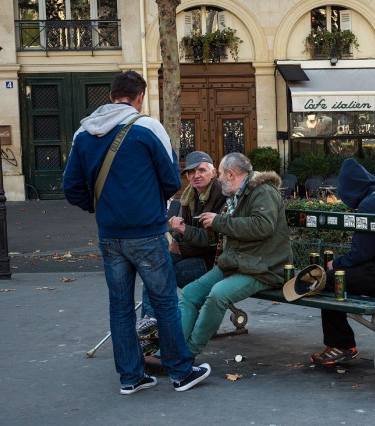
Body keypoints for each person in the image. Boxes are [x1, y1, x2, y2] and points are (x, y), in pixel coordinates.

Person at [62, 71, 210, 394]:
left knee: (120, 305)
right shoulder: (147, 128)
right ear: (139, 97)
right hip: (146, 232)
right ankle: (181, 372)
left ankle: (131, 377)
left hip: (109, 235)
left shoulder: (83, 134)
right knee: (166, 301)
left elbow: (70, 187)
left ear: (112, 95)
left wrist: (99, 206)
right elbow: (172, 180)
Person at [176, 152, 293, 357]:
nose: (218, 178)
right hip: (238, 263)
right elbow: (215, 237)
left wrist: (219, 221)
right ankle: (174, 350)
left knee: (218, 295)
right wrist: (186, 231)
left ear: (230, 174)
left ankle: (188, 353)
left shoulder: (263, 191)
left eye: (220, 174)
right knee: (190, 293)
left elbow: (262, 226)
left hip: (263, 268)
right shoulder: (235, 195)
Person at [310, 158, 375, 365]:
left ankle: (340, 345)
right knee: (341, 275)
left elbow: (362, 253)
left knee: (331, 279)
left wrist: (337, 264)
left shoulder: (369, 205)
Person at [140, 151, 226, 319]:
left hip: (213, 262)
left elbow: (214, 242)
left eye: (201, 170)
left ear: (213, 172)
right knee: (154, 268)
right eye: (191, 172)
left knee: (165, 274)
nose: (196, 175)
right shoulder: (190, 194)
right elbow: (184, 231)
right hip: (193, 252)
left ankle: (159, 322)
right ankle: (149, 322)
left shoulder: (221, 195)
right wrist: (175, 235)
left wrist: (182, 238)